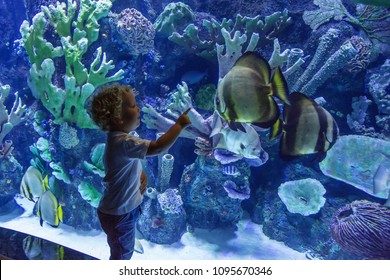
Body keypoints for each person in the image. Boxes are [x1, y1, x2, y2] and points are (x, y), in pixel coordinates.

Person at [89, 84, 191, 260]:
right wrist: (179, 124)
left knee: (120, 251)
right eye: (132, 106)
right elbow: (158, 148)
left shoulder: (115, 141)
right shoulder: (124, 142)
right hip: (120, 214)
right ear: (117, 118)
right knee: (122, 256)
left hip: (118, 211)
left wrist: (140, 177)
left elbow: (122, 168)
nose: (137, 108)